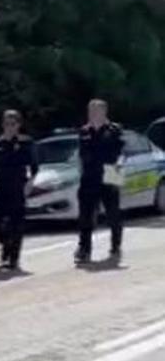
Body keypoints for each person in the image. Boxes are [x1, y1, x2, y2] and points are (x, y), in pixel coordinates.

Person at [0, 109, 39, 271]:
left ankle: (13, 258)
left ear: (18, 125)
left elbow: (33, 166)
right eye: (6, 124)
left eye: (13, 124)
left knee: (16, 224)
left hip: (18, 187)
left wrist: (29, 184)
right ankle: (5, 244)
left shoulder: (26, 142)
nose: (9, 127)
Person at [75, 98, 125, 265]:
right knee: (85, 215)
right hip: (90, 175)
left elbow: (122, 152)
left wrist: (119, 167)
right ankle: (84, 249)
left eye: (96, 110)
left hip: (111, 172)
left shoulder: (114, 129)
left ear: (104, 112)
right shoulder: (84, 131)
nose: (92, 114)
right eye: (90, 111)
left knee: (113, 213)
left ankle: (116, 245)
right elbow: (81, 155)